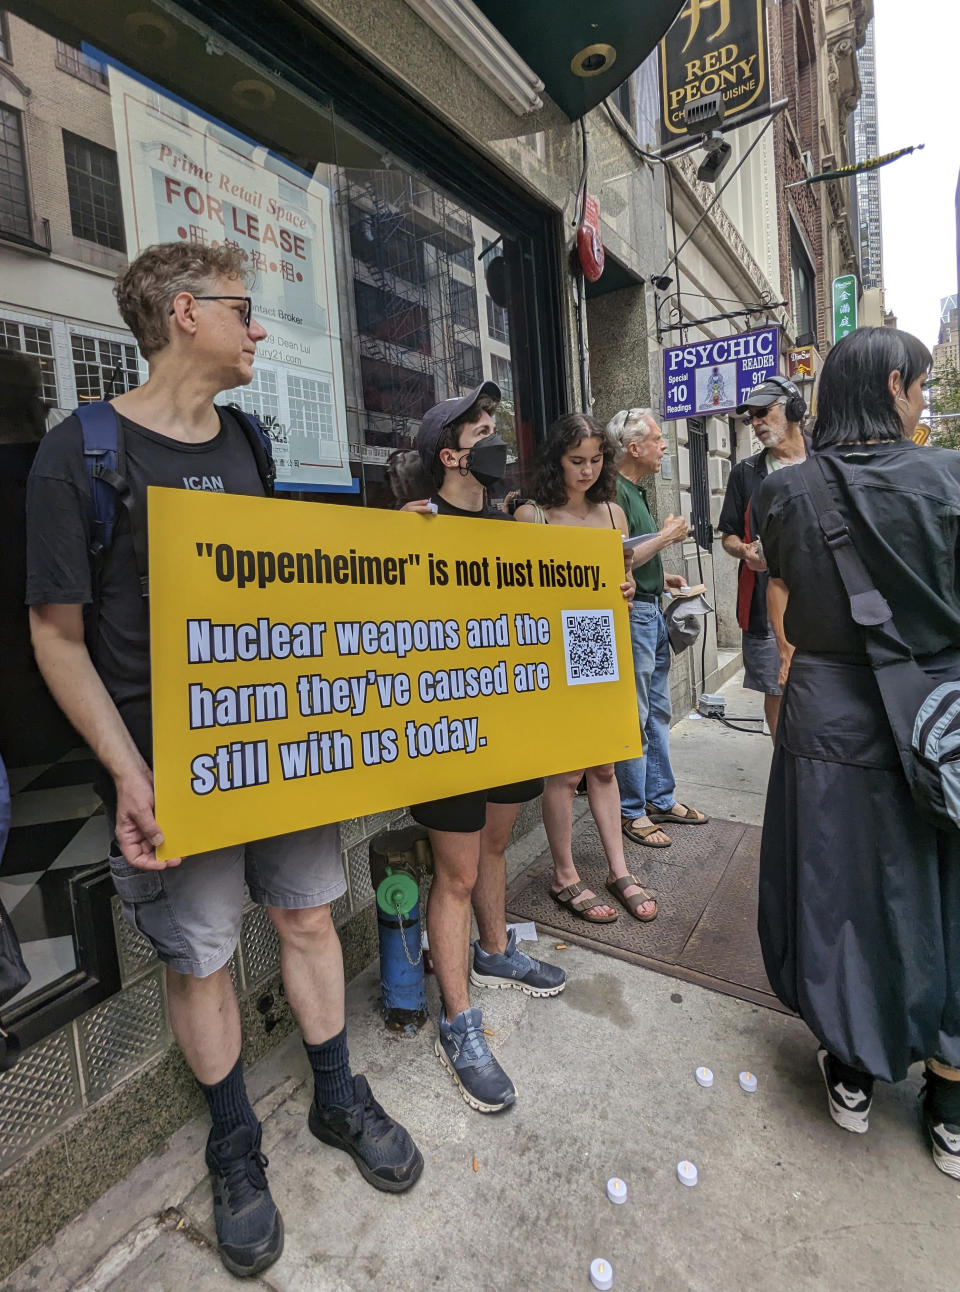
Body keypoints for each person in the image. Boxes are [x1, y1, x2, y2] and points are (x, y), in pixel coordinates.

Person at [25, 243, 422, 1280]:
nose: (258, 331)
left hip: (275, 754)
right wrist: (128, 772)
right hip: (166, 773)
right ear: (184, 313)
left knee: (304, 915)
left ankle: (338, 1093)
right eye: (245, 311)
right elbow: (58, 637)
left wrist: (391, 546)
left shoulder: (247, 439)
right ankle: (235, 1142)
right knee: (199, 954)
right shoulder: (79, 453)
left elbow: (270, 583)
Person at [752, 327, 960, 1179]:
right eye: (922, 386)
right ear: (897, 384)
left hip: (828, 718)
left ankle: (852, 1069)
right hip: (940, 721)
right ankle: (949, 1098)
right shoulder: (949, 480)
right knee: (945, 898)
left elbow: (788, 607)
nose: (924, 402)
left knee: (837, 893)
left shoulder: (787, 495)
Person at [405, 383, 566, 1117]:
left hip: (509, 713)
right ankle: (459, 1022)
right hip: (445, 728)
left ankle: (496, 950)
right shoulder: (415, 526)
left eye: (495, 421)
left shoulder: (514, 521)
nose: (495, 434)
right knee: (457, 873)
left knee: (497, 845)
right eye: (480, 428)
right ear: (450, 454)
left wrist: (606, 590)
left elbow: (558, 595)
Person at [515, 413, 659, 923]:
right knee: (566, 768)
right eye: (577, 461)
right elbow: (518, 594)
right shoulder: (533, 515)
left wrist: (626, 589)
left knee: (604, 763)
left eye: (596, 460)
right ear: (557, 460)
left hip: (600, 640)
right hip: (554, 646)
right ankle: (565, 874)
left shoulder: (614, 514)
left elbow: (626, 583)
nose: (588, 471)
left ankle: (618, 868)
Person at [606, 408, 708, 849]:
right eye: (657, 439)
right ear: (633, 448)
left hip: (649, 610)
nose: (665, 446)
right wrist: (667, 538)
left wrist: (662, 577)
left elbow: (636, 559)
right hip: (632, 617)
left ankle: (660, 798)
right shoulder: (616, 493)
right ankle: (632, 810)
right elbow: (618, 560)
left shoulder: (635, 491)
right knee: (636, 716)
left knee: (658, 712)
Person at [717, 377, 808, 741]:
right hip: (764, 597)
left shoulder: (828, 461)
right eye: (751, 417)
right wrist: (744, 551)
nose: (755, 423)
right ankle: (784, 763)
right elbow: (727, 537)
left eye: (762, 413)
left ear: (793, 409)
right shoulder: (745, 473)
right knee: (777, 685)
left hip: (823, 596)